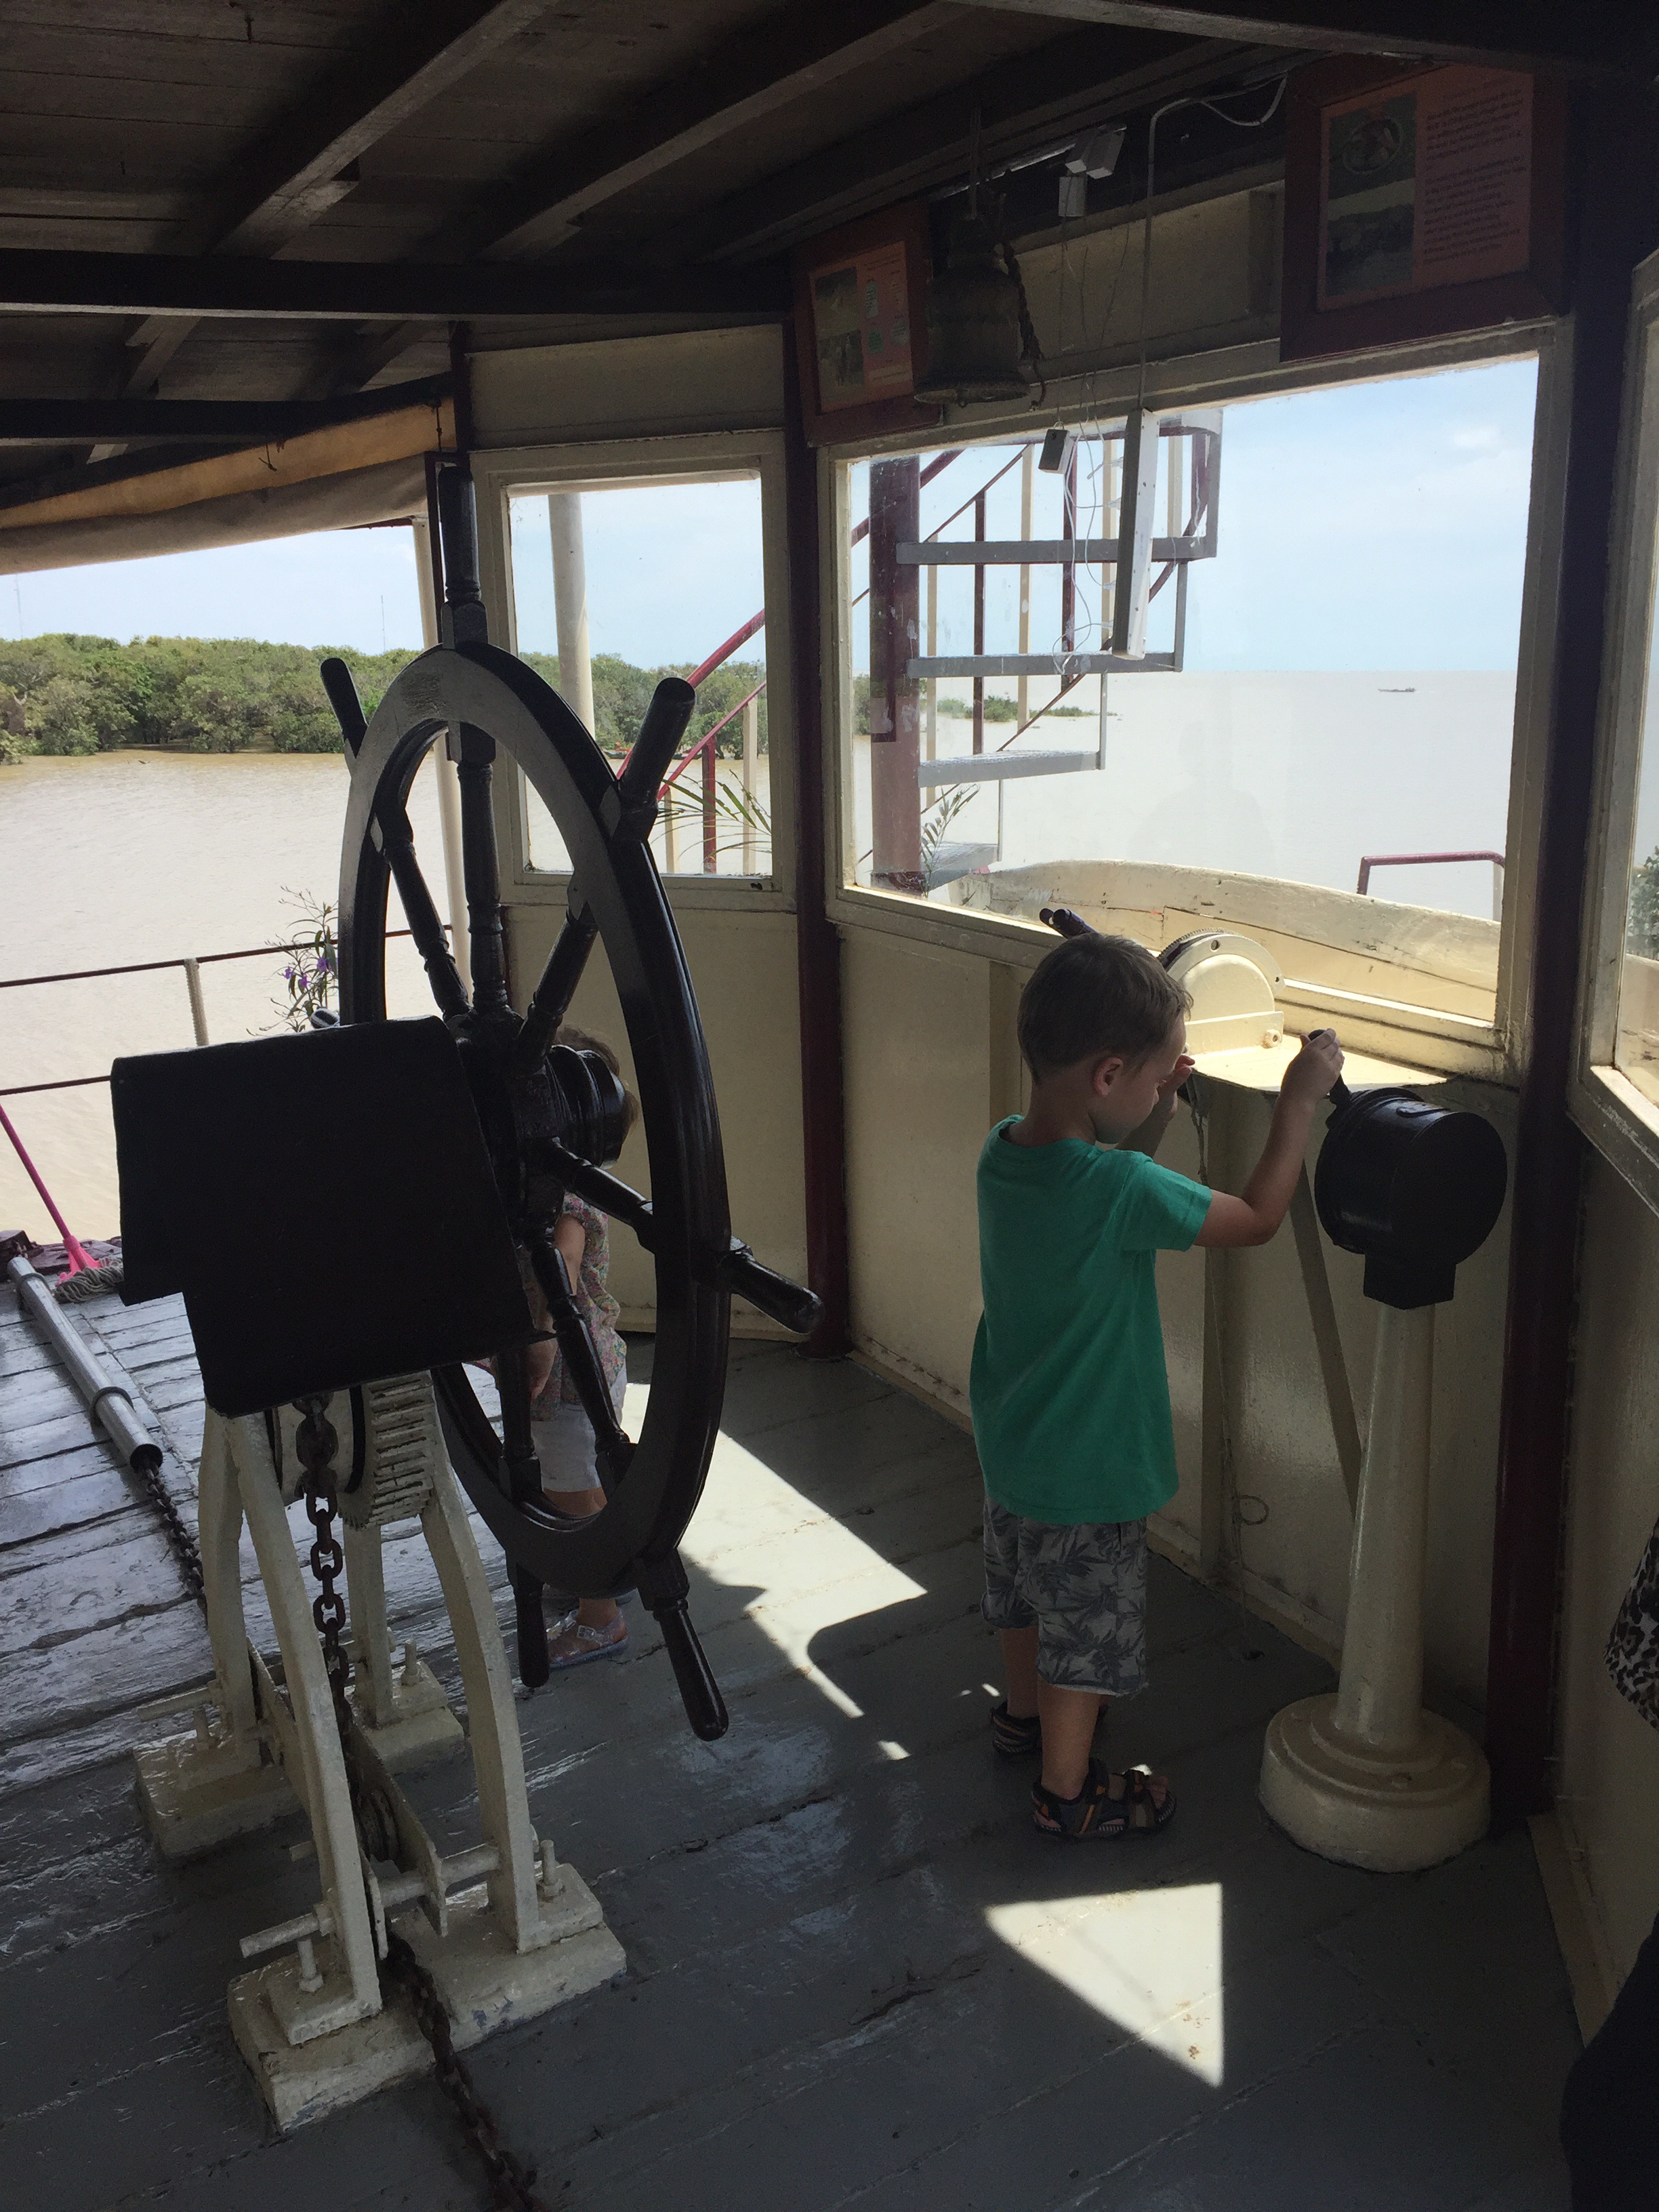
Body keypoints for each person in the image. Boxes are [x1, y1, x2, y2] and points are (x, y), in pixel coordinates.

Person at [971, 932, 1343, 1840]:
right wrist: (1299, 1101)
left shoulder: (1002, 1152)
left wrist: (1161, 1103)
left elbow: (1105, 1167)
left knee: (1024, 1596)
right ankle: (1068, 1794)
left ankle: (1020, 1717)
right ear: (1107, 1076)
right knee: (1083, 1634)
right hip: (1089, 1467)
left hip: (1014, 1444)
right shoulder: (1120, 1187)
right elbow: (1255, 1219)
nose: (1157, 1091)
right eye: (1150, 1078)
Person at [522, 1024, 636, 1672]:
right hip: (597, 1357)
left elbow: (558, 1274)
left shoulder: (560, 1202)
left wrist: (538, 1346)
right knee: (586, 1479)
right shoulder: (575, 1183)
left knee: (574, 1491)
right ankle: (602, 1563)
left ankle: (602, 1617)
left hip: (567, 1374)